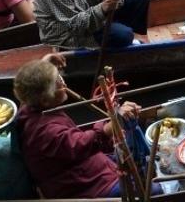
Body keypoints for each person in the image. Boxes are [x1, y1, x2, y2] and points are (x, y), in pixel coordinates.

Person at [14, 56, 153, 199]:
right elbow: (80, 144)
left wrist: (44, 66)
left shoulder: (29, 104)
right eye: (57, 82)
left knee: (134, 142)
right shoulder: (45, 133)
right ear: (44, 100)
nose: (63, 83)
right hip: (86, 185)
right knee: (155, 191)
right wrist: (112, 126)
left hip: (88, 165)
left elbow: (35, 85)